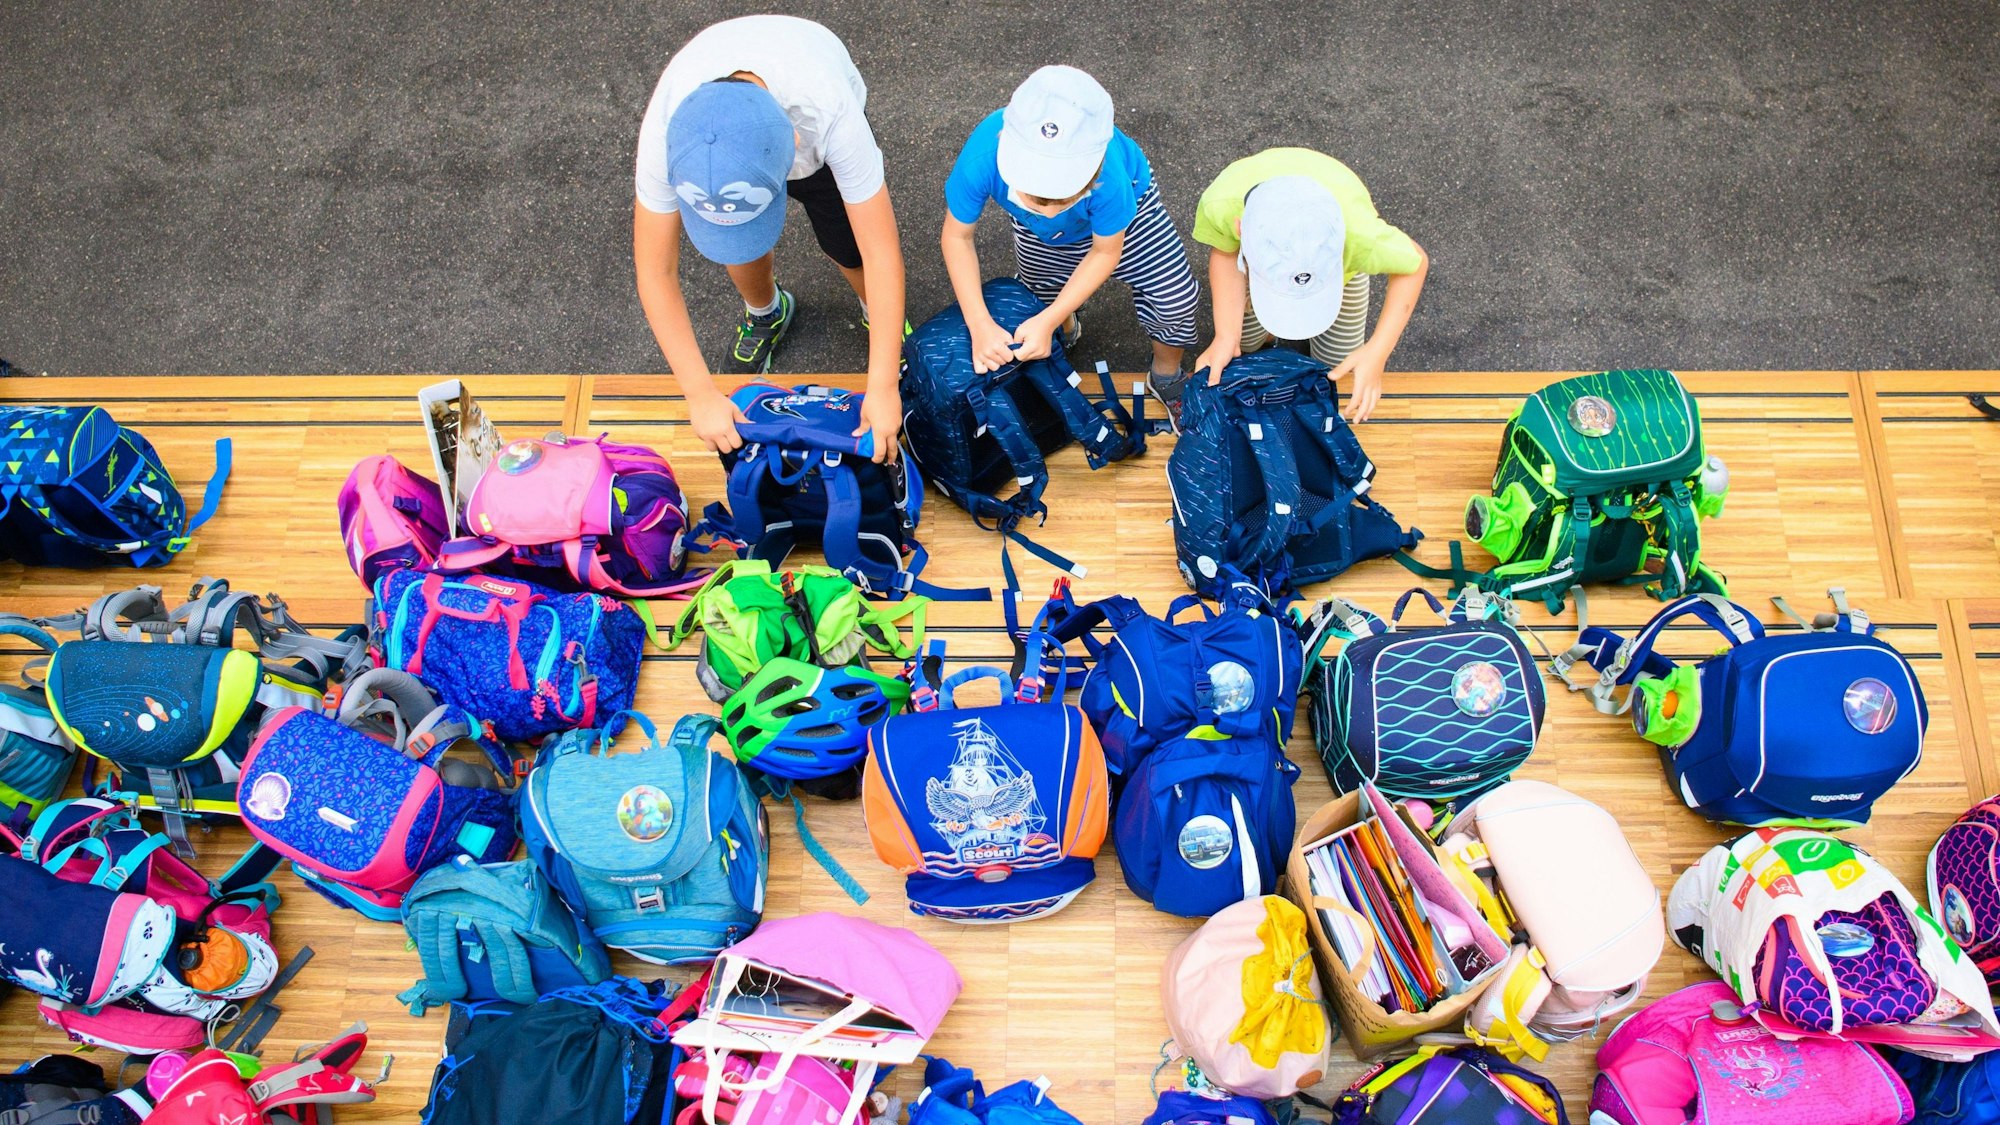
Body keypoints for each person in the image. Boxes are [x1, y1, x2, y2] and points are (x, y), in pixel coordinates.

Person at [632, 14, 905, 462]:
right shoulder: (668, 134)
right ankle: (766, 312)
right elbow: (655, 270)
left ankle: (877, 315)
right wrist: (699, 395)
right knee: (743, 246)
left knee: (848, 245)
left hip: (814, 109)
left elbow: (881, 251)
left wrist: (883, 385)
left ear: (793, 143)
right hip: (742, 129)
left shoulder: (830, 114)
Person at [940, 65, 1199, 416]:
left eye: (1063, 197)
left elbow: (1106, 250)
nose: (1049, 212)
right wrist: (979, 322)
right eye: (1035, 198)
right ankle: (1061, 328)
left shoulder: (1110, 177)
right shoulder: (982, 157)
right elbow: (957, 236)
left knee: (1175, 297)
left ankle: (1167, 375)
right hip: (1039, 236)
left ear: (1093, 169)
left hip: (1128, 220)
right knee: (1040, 291)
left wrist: (1045, 319)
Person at [1190, 148, 1429, 423]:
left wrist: (1378, 352)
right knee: (1242, 341)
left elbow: (1415, 263)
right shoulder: (1222, 203)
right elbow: (1227, 252)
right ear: (1240, 229)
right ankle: (1262, 338)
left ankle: (1273, 344)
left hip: (1342, 274)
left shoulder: (1361, 237)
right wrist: (1226, 336)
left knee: (1338, 359)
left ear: (1344, 246)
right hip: (1263, 266)